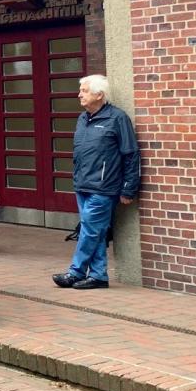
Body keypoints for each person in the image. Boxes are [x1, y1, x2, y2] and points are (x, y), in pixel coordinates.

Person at [53, 74, 141, 291]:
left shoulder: (117, 118)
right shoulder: (83, 118)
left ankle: (76, 272)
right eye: (80, 90)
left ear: (99, 95)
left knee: (89, 230)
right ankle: (99, 276)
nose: (79, 94)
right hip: (82, 184)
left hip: (104, 187)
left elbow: (130, 154)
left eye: (84, 91)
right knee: (96, 231)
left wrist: (129, 188)